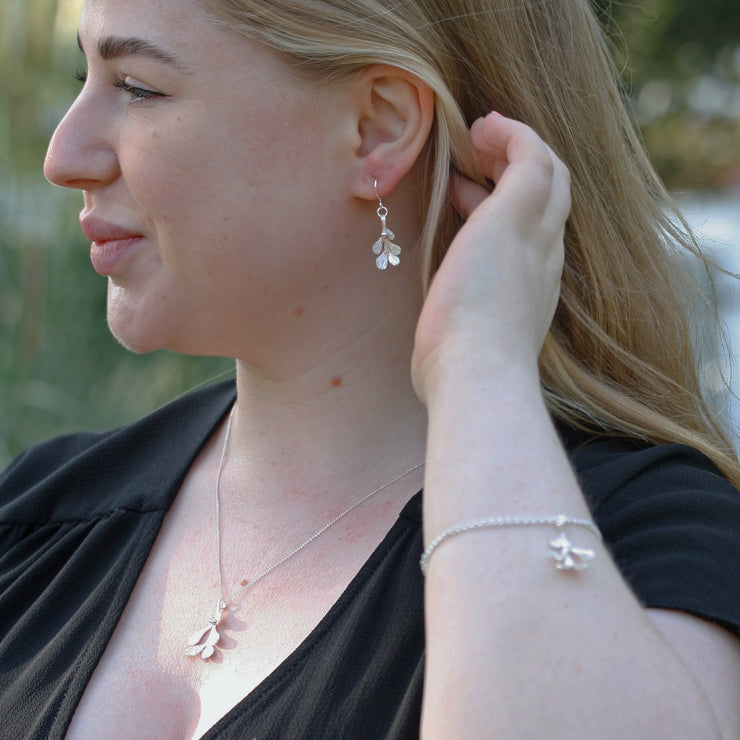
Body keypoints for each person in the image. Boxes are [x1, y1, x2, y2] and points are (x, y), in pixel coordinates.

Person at [2, 0, 740, 736]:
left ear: (376, 130)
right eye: (84, 75)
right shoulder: (35, 518)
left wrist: (477, 359)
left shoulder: (647, 553)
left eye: (137, 86)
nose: (64, 157)